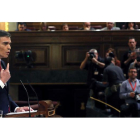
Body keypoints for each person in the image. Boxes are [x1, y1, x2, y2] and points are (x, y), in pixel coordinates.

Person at [0, 30, 33, 115]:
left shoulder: (2, 64)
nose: (9, 47)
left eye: (10, 44)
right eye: (5, 43)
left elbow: (4, 94)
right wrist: (2, 82)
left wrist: (16, 108)